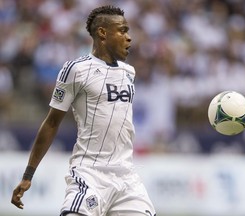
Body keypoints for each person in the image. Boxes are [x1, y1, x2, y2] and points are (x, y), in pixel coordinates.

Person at [11, 5, 156, 216]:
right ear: (102, 33)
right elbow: (52, 122)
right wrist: (28, 174)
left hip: (127, 177)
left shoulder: (129, 72)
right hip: (90, 173)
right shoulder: (76, 70)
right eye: (123, 30)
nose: (129, 38)